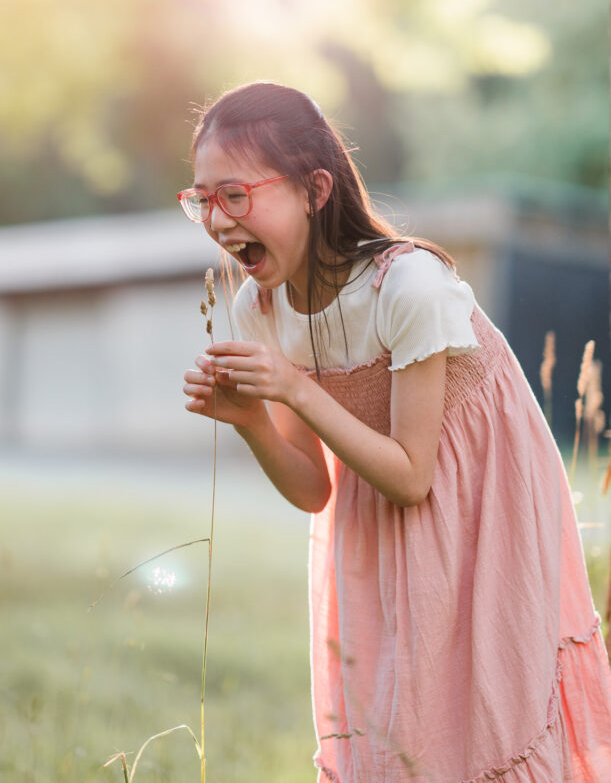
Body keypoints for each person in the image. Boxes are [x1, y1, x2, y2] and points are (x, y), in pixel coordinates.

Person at [180, 82, 611, 783]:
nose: (217, 221)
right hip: (373, 517)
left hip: (478, 508)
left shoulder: (406, 286)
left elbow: (414, 476)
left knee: (481, 711)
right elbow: (316, 488)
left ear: (315, 189)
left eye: (235, 195)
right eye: (201, 200)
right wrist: (254, 420)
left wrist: (291, 387)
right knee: (395, 717)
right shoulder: (260, 308)